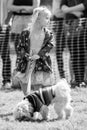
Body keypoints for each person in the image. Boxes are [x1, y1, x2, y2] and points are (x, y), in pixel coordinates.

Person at [12, 6, 55, 95]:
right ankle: (27, 97)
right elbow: (21, 47)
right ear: (38, 18)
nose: (49, 21)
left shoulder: (48, 34)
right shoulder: (26, 33)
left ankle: (37, 101)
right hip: (27, 61)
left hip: (40, 61)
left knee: (38, 83)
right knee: (24, 82)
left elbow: (49, 45)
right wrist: (27, 56)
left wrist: (39, 55)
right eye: (46, 18)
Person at [60, 0, 87, 87]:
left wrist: (69, 9)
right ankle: (77, 80)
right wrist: (75, 12)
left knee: (82, 55)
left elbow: (84, 6)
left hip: (83, 27)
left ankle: (83, 80)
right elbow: (63, 8)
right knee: (74, 55)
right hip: (69, 28)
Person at [52, 0, 65, 79]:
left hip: (73, 20)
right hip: (59, 22)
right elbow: (57, 12)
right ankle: (62, 75)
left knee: (76, 49)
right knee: (59, 49)